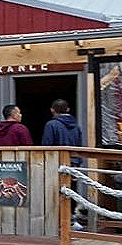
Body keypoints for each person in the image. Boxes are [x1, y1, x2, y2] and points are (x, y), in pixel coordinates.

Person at [41, 99, 86, 230]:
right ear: (68, 110)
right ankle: (72, 221)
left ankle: (54, 221)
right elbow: (79, 147)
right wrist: (77, 165)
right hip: (73, 165)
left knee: (54, 193)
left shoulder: (51, 125)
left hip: (56, 165)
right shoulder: (77, 126)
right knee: (71, 192)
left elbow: (47, 146)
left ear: (52, 110)